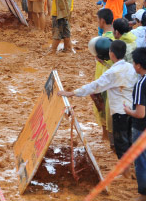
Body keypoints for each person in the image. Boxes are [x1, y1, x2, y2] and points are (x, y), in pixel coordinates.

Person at [59, 40, 138, 162]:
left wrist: (73, 93)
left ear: (111, 54)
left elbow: (95, 86)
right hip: (133, 111)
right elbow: (117, 76)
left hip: (119, 112)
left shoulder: (112, 72)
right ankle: (133, 166)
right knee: (131, 139)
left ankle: (127, 171)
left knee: (121, 143)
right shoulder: (131, 67)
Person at [124, 48, 146, 200]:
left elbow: (140, 113)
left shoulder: (141, 84)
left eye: (133, 62)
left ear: (138, 65)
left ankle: (143, 194)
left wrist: (127, 111)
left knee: (141, 162)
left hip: (141, 128)